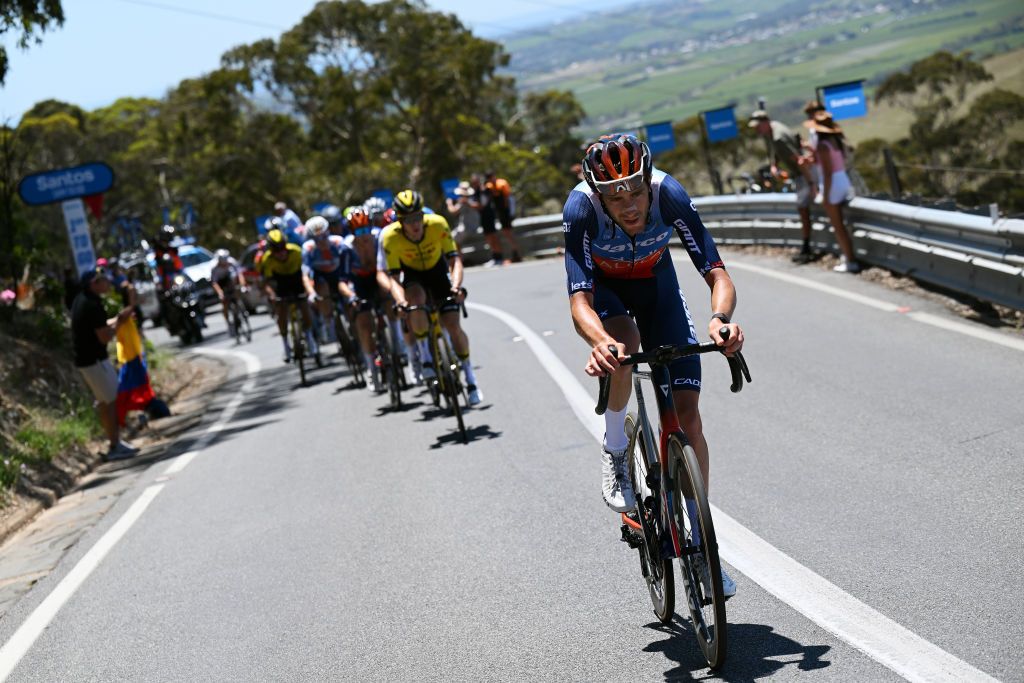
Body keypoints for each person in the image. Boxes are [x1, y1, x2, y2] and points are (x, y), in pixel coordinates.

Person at [563, 133, 744, 597]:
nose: (628, 205)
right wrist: (600, 341)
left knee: (687, 419)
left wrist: (721, 320)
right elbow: (579, 299)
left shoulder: (670, 194)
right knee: (623, 346)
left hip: (657, 286)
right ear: (599, 194)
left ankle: (703, 544)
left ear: (648, 181)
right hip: (608, 293)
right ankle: (617, 448)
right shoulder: (581, 209)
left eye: (636, 191)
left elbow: (716, 272)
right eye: (614, 196)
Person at [380, 190, 482, 406]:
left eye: (417, 217)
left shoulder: (437, 224)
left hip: (438, 271)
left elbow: (455, 261)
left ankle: (471, 379)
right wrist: (400, 302)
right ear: (400, 221)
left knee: (453, 326)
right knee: (415, 300)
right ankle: (426, 357)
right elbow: (394, 279)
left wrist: (456, 287)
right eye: (408, 220)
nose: (414, 224)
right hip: (413, 275)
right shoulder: (390, 237)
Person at [70, 267, 140, 461]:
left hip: (88, 361)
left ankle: (115, 442)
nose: (108, 283)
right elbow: (104, 337)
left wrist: (117, 320)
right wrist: (120, 322)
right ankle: (115, 445)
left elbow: (97, 327)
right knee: (110, 400)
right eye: (104, 280)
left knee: (105, 401)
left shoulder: (82, 300)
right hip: (94, 360)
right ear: (94, 283)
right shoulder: (92, 305)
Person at [748, 109, 818, 263]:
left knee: (803, 209)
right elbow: (777, 151)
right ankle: (807, 246)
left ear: (765, 122)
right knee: (803, 209)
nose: (757, 130)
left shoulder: (778, 137)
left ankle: (806, 248)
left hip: (803, 175)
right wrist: (775, 165)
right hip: (803, 175)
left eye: (758, 126)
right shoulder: (774, 128)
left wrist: (812, 183)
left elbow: (798, 160)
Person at [345, 208, 401, 392]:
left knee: (392, 305)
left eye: (366, 229)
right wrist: (352, 296)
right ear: (352, 233)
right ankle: (370, 366)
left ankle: (397, 343)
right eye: (358, 232)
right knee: (364, 322)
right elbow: (343, 279)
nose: (364, 236)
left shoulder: (380, 238)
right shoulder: (347, 247)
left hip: (379, 277)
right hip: (359, 283)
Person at [804, 111, 859, 273]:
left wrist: (825, 195)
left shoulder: (822, 145)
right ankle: (848, 257)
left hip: (833, 184)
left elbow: (827, 172)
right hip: (843, 179)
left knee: (838, 225)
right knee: (842, 224)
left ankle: (850, 260)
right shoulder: (836, 141)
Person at [258, 228, 320, 362]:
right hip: (281, 285)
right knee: (281, 312)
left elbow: (306, 273)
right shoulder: (267, 259)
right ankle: (286, 344)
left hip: (297, 281)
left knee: (304, 307)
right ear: (271, 249)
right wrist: (272, 296)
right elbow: (267, 282)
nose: (280, 252)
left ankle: (310, 338)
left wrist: (309, 288)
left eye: (282, 247)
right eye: (276, 249)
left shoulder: (296, 251)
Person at [301, 215, 358, 346]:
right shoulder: (308, 249)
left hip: (339, 275)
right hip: (321, 278)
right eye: (317, 238)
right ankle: (329, 323)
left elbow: (351, 266)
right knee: (322, 287)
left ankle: (353, 325)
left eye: (324, 236)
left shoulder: (339, 243)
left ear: (329, 232)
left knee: (350, 302)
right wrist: (312, 294)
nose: (321, 241)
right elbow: (306, 275)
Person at [479, 172, 523, 266]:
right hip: (500, 213)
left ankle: (517, 253)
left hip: (505, 212)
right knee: (506, 233)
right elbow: (484, 193)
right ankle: (515, 252)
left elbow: (509, 199)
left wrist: (511, 212)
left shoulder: (502, 183)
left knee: (508, 233)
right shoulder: (489, 186)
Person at [210, 249, 247, 335]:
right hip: (220, 282)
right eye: (222, 262)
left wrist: (243, 286)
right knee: (224, 302)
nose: (225, 263)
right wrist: (220, 293)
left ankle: (239, 306)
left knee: (234, 283)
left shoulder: (231, 261)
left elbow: (239, 274)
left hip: (229, 279)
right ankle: (228, 323)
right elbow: (214, 283)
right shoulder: (214, 267)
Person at [445, 181, 480, 248]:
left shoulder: (464, 201)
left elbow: (453, 211)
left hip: (468, 228)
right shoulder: (471, 199)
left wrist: (449, 203)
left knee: (451, 241)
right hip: (471, 226)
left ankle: (458, 258)